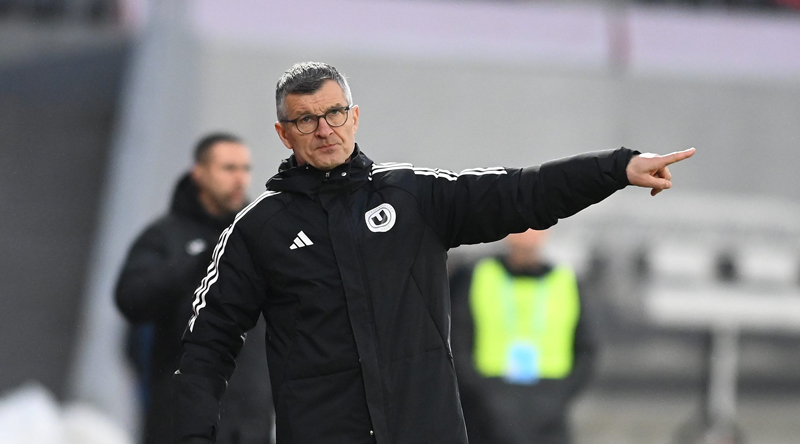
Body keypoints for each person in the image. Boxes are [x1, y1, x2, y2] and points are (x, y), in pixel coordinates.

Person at [174, 61, 695, 444]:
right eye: (306, 120)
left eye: (334, 113)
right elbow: (206, 346)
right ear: (283, 134)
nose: (325, 129)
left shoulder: (412, 196)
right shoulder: (258, 229)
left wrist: (616, 168)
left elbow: (521, 192)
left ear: (355, 116)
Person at [116, 133, 274, 444]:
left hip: (249, 425)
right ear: (199, 173)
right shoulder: (165, 237)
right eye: (228, 168)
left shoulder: (260, 238)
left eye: (245, 169)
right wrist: (197, 262)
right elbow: (131, 300)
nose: (240, 179)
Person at [450, 229, 595, 444]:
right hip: (487, 410)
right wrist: (482, 394)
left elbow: (586, 348)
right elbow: (457, 341)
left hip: (548, 409)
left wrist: (558, 395)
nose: (528, 234)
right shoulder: (475, 276)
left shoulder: (565, 281)